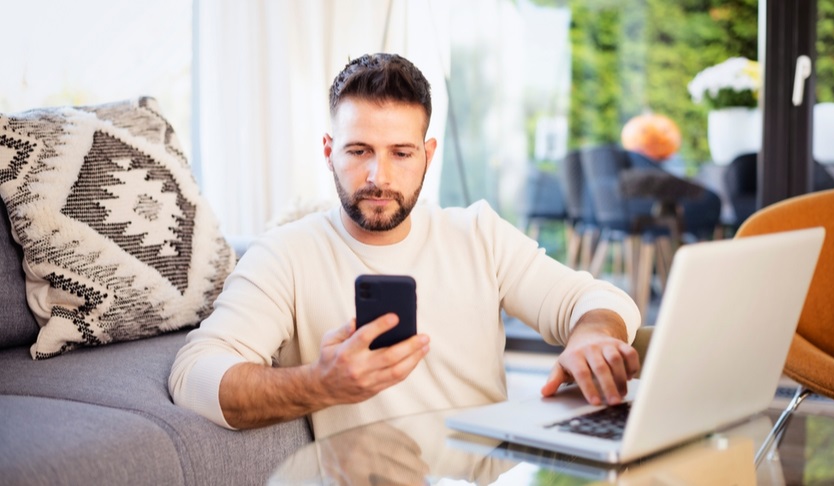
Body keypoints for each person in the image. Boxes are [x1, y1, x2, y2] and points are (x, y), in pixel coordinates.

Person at [169, 53, 641, 440]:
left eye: (401, 152)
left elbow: (597, 300)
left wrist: (593, 334)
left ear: (428, 155)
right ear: (329, 150)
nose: (379, 177)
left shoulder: (478, 233)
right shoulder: (285, 254)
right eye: (358, 151)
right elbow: (193, 375)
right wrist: (318, 384)